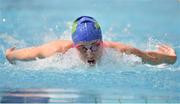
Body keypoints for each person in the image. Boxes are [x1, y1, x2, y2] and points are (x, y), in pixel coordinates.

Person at [5, 16, 177, 66]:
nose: (89, 53)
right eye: (82, 48)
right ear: (74, 46)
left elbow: (147, 57)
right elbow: (32, 52)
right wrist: (11, 55)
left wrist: (171, 59)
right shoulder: (60, 49)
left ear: (102, 42)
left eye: (95, 46)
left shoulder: (119, 50)